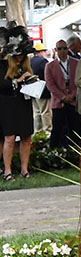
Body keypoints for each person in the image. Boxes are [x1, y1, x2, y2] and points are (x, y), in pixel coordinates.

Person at [0, 23, 37, 180]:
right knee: (9, 137)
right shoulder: (2, 66)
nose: (20, 57)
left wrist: (33, 83)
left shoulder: (26, 66)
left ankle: (24, 169)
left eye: (23, 54)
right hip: (7, 106)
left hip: (24, 104)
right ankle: (7, 170)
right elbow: (3, 85)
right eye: (17, 55)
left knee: (26, 137)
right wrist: (19, 80)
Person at [44, 38, 81, 148]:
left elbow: (79, 82)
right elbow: (50, 85)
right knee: (57, 129)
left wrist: (73, 95)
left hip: (73, 101)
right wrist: (62, 97)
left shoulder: (77, 63)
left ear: (68, 49)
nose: (62, 51)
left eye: (65, 48)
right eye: (59, 48)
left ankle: (75, 152)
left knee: (75, 129)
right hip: (58, 102)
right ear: (56, 50)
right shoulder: (50, 66)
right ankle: (55, 153)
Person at [29, 41, 52, 134]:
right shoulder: (43, 61)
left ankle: (37, 131)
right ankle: (47, 131)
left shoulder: (30, 61)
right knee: (45, 112)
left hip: (32, 91)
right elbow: (48, 75)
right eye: (44, 51)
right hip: (43, 91)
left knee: (37, 112)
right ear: (40, 51)